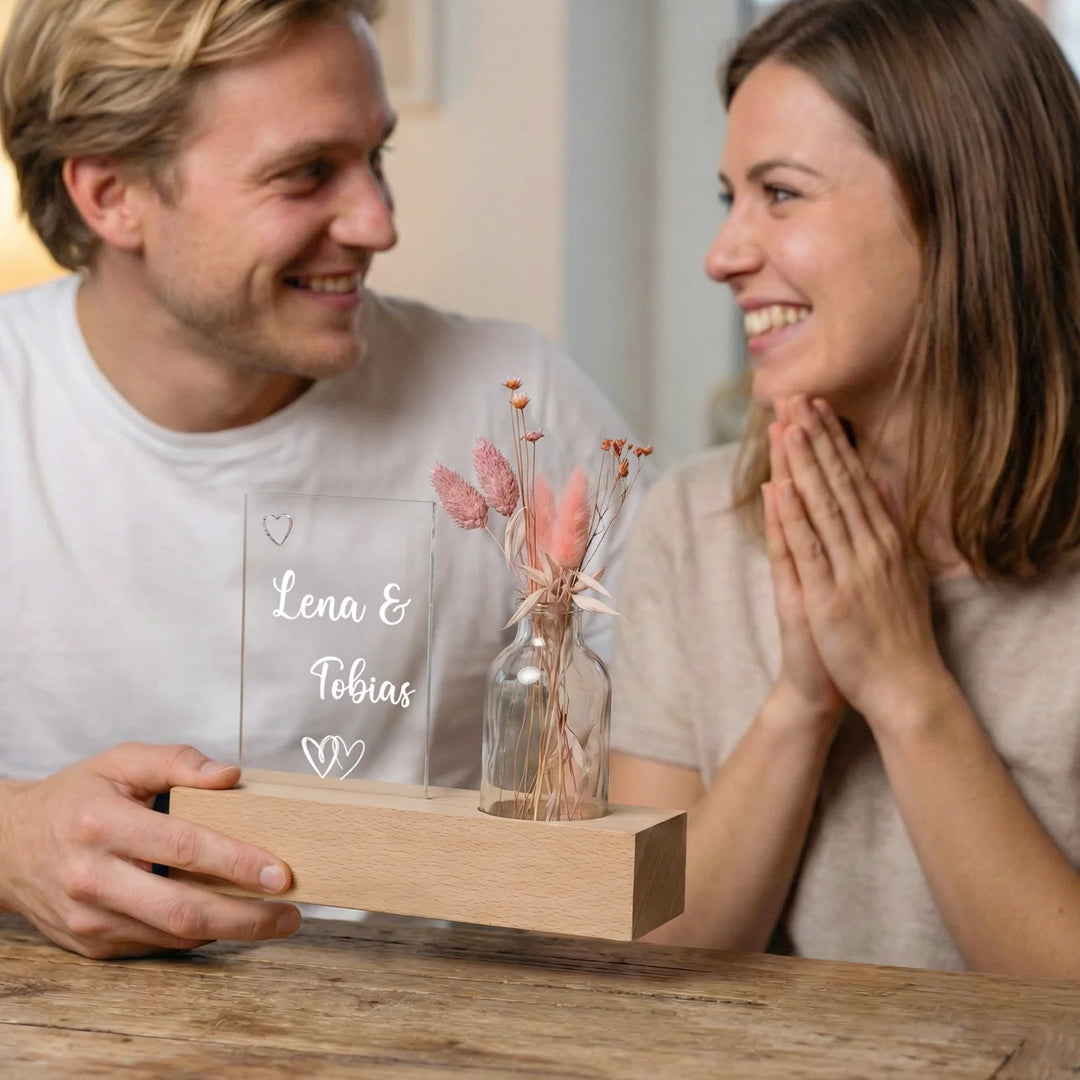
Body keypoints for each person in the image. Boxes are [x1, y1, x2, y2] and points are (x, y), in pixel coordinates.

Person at [0, 0, 636, 959]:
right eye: (305, 174)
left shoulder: (520, 406)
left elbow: (687, 763)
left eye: (376, 157)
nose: (378, 223)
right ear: (110, 195)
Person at [610, 0, 1080, 978]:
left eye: (780, 195)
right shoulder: (694, 524)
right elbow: (651, 951)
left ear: (960, 204)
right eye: (728, 198)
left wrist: (905, 687)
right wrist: (802, 697)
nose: (723, 255)